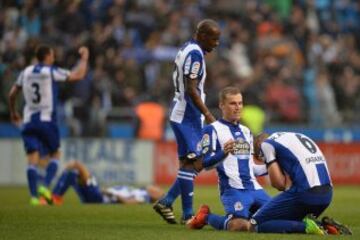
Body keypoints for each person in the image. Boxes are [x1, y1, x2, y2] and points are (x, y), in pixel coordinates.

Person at [190, 131, 352, 235]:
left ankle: (307, 227)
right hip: (327, 195)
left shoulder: (267, 145)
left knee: (253, 225)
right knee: (281, 218)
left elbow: (279, 184)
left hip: (304, 194)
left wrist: (271, 165)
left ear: (260, 148)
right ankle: (324, 226)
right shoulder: (295, 136)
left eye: (261, 157)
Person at [153, 19, 220, 224]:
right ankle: (188, 214)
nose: (216, 43)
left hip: (184, 114)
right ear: (202, 35)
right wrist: (208, 114)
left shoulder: (187, 47)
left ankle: (167, 201)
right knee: (194, 162)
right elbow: (191, 88)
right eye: (214, 38)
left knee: (191, 163)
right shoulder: (195, 53)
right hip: (187, 117)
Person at [8, 45, 89, 205]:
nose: (54, 58)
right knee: (56, 154)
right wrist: (85, 57)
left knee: (32, 159)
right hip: (46, 121)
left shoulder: (26, 72)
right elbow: (78, 75)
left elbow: (12, 94)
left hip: (29, 121)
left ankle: (33, 198)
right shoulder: (50, 71)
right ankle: (44, 186)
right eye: (52, 55)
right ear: (47, 56)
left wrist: (13, 112)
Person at [186, 86, 271, 231]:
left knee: (280, 215)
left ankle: (250, 216)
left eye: (240, 103)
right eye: (233, 103)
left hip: (255, 189)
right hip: (233, 189)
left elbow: (251, 169)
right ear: (221, 105)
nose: (237, 107)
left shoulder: (246, 131)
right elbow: (205, 164)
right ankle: (205, 217)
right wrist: (223, 152)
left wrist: (272, 165)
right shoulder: (211, 130)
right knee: (239, 226)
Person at [51, 161, 164, 205]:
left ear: (155, 197)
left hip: (100, 198)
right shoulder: (139, 190)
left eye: (158, 190)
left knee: (78, 166)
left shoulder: (144, 197)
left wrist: (111, 194)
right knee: (72, 174)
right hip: (99, 194)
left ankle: (54, 196)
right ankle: (54, 198)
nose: (155, 187)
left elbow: (127, 203)